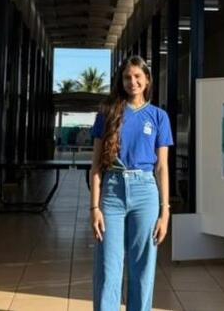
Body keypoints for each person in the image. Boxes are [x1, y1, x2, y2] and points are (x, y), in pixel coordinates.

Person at [90, 56, 173, 311]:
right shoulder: (107, 114)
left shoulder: (158, 117)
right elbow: (96, 166)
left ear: (147, 79)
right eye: (127, 77)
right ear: (121, 81)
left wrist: (165, 212)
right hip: (112, 191)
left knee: (143, 268)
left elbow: (162, 167)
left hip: (145, 192)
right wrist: (94, 208)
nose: (132, 82)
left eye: (137, 76)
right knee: (108, 268)